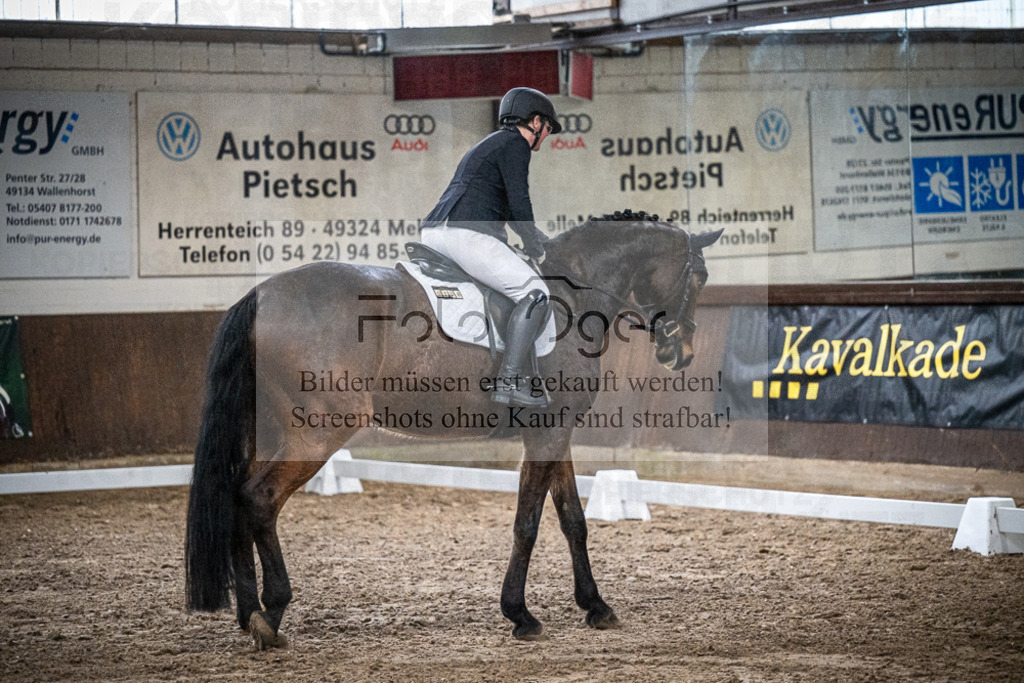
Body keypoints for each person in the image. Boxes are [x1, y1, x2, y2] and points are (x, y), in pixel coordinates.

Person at [421, 87, 562, 409]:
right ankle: (510, 380)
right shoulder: (515, 143)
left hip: (438, 232)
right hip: (466, 235)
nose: (546, 138)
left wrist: (532, 236)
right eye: (548, 129)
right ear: (536, 122)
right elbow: (519, 202)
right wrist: (533, 245)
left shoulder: (490, 143)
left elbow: (503, 206)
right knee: (537, 294)